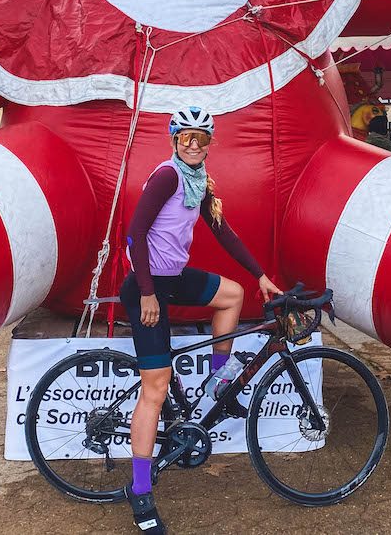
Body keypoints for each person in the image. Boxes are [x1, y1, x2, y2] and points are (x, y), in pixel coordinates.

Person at [118, 106, 282, 535]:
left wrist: (261, 275)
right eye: (186, 138)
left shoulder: (199, 182)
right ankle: (140, 491)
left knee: (233, 294)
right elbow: (134, 234)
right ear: (174, 140)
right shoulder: (168, 176)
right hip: (146, 286)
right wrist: (149, 292)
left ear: (210, 143)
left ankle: (218, 381)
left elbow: (223, 231)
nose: (193, 145)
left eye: (201, 139)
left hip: (172, 280)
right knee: (154, 390)